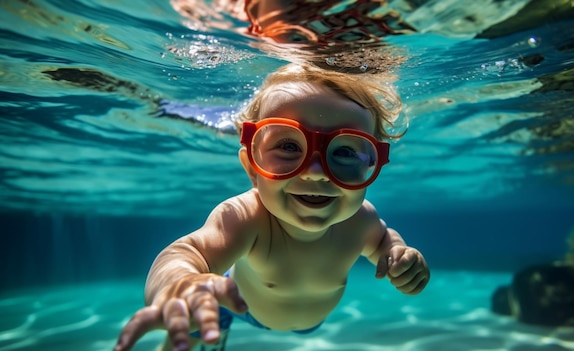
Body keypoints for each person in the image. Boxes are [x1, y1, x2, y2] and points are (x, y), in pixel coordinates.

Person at [114, 63, 430, 351]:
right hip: (237, 305)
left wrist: (401, 256)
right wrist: (180, 284)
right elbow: (185, 253)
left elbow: (383, 241)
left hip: (311, 323)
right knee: (197, 318)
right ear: (252, 167)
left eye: (346, 151)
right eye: (289, 146)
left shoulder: (362, 221)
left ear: (371, 167)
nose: (315, 172)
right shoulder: (245, 218)